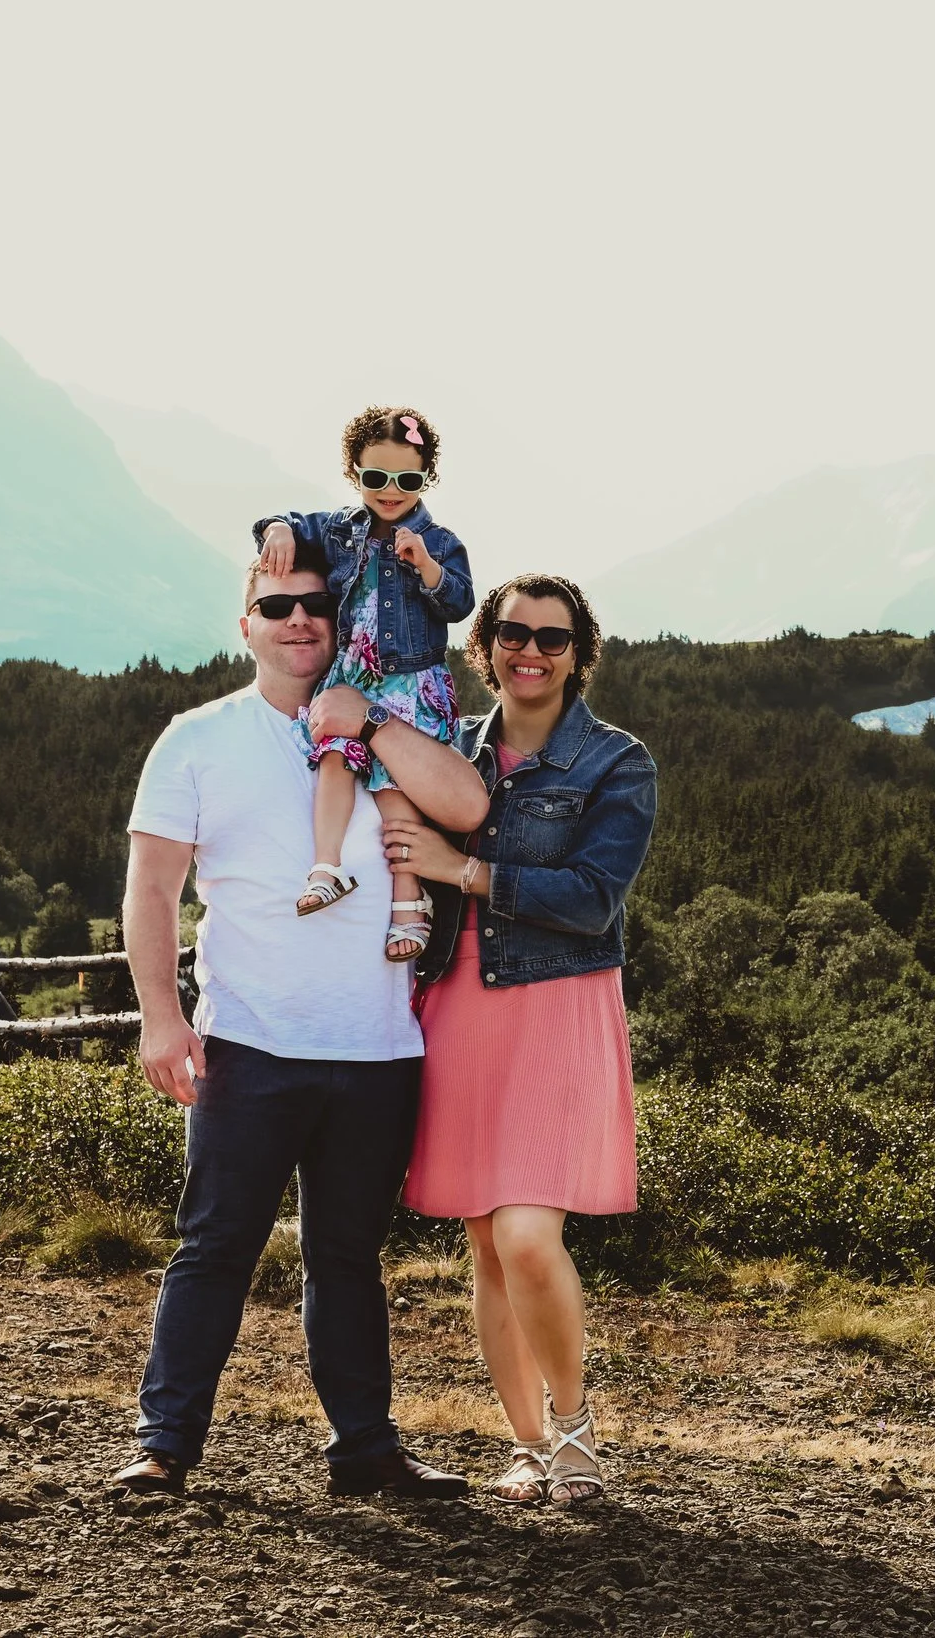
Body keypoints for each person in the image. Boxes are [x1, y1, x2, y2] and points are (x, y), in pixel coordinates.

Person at [114, 543, 488, 1500]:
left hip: (379, 1049)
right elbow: (152, 888)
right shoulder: (195, 738)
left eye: (317, 604)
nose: (299, 619)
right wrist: (162, 1018)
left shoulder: (391, 726)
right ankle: (166, 1444)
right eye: (276, 604)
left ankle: (365, 1450)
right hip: (250, 1041)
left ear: (341, 617)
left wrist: (369, 721)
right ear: (245, 625)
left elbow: (467, 807)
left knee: (349, 1257)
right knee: (216, 1243)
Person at [383, 573, 657, 1508]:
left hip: (558, 1005)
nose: (527, 650)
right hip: (456, 1005)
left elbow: (591, 900)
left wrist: (465, 866)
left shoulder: (617, 763)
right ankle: (529, 1444)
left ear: (580, 652)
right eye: (510, 632)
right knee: (489, 1248)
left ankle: (576, 1429)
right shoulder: (449, 753)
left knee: (530, 1233)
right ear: (483, 643)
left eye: (550, 635)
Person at [253, 405, 473, 959]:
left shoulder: (439, 540)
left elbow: (460, 602)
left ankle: (409, 898)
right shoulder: (340, 531)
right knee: (334, 760)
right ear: (354, 474)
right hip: (353, 673)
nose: (391, 491)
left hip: (408, 681)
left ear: (429, 478)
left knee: (394, 790)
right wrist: (276, 528)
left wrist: (427, 567)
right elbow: (292, 523)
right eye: (376, 478)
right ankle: (326, 866)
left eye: (408, 479)